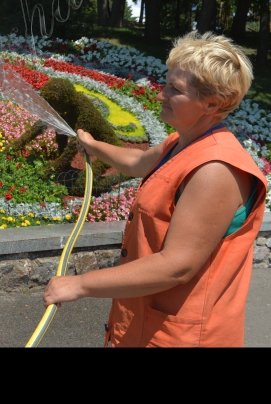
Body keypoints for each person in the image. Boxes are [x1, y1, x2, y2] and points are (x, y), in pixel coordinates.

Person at [43, 31, 268, 347]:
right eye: (166, 83)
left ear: (212, 103)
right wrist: (93, 145)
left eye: (174, 89)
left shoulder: (216, 170)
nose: (160, 95)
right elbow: (138, 162)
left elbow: (176, 265)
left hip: (185, 337)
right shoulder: (180, 143)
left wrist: (80, 285)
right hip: (144, 326)